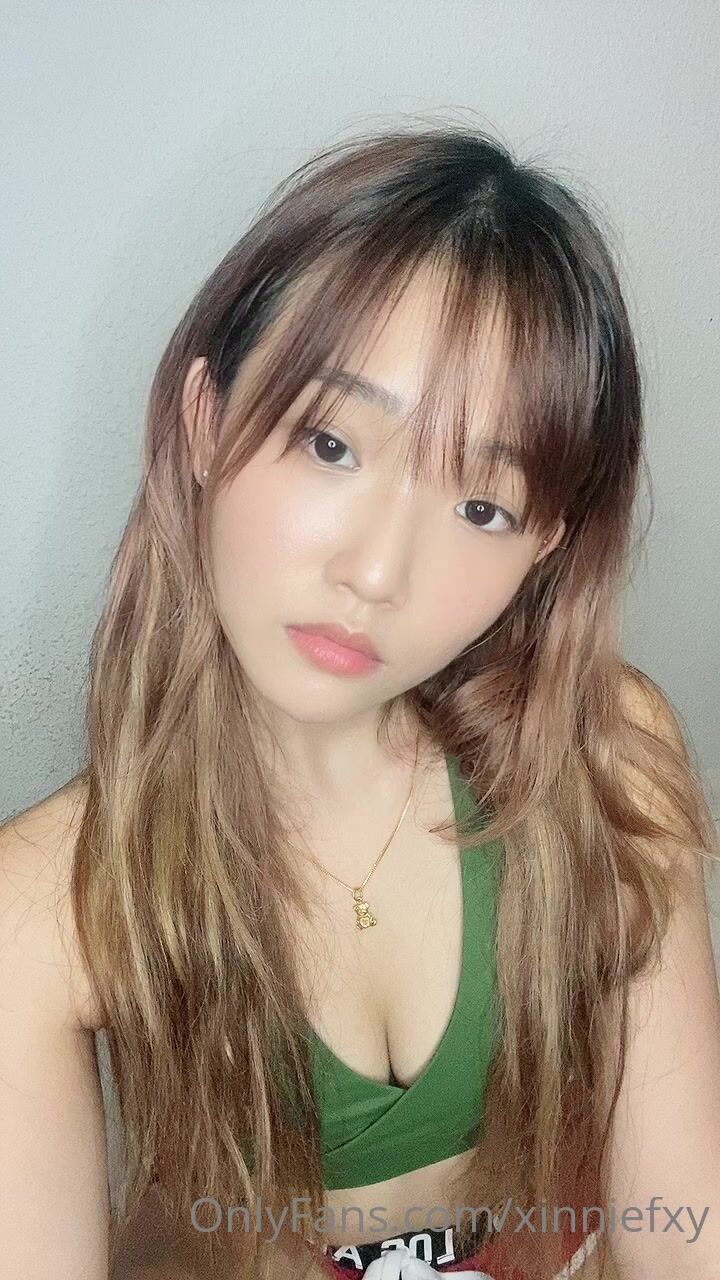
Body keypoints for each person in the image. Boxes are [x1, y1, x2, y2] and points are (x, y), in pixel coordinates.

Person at [2, 123, 720, 1280]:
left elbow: (685, 1231)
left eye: (481, 506)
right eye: (331, 442)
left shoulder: (607, 755)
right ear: (204, 420)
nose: (378, 572)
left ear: (545, 540)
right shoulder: (43, 906)